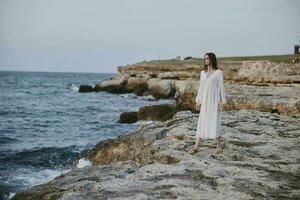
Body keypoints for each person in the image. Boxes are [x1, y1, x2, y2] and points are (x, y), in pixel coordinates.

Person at [188, 52, 226, 155]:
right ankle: (196, 146)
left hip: (215, 101)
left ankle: (219, 146)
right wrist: (198, 101)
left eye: (208, 58)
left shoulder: (218, 73)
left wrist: (223, 101)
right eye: (205, 58)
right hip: (205, 101)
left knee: (215, 121)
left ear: (212, 59)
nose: (206, 60)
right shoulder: (202, 73)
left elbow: (221, 87)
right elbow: (201, 88)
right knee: (201, 121)